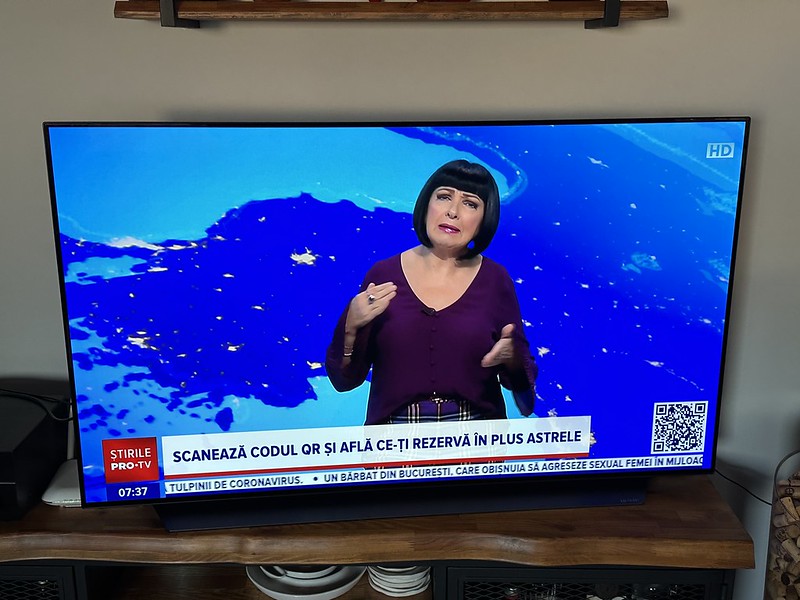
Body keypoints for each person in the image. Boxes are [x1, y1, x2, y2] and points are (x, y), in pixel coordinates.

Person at [325, 159, 537, 425]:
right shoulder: (382, 275)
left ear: (485, 219)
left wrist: (513, 360)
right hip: (394, 441)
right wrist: (351, 327)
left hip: (477, 440)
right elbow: (344, 381)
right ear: (426, 204)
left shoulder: (496, 280)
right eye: (444, 197)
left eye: (470, 204)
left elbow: (526, 399)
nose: (453, 212)